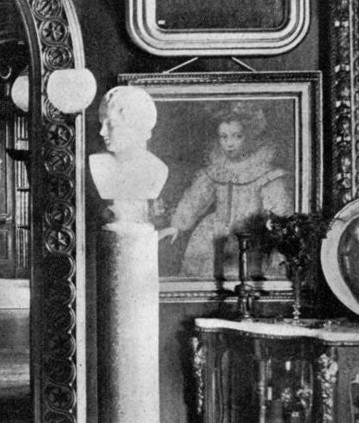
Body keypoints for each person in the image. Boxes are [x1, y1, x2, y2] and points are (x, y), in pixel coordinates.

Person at [158, 104, 292, 279]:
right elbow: (195, 199)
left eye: (237, 136)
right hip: (213, 235)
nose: (229, 143)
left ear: (250, 137)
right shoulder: (216, 169)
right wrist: (177, 225)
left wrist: (279, 246)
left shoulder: (267, 173)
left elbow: (279, 213)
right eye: (224, 137)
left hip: (250, 237)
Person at [89, 85, 168, 223]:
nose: (102, 132)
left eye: (111, 124)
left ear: (134, 125)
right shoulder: (98, 164)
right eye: (102, 123)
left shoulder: (157, 170)